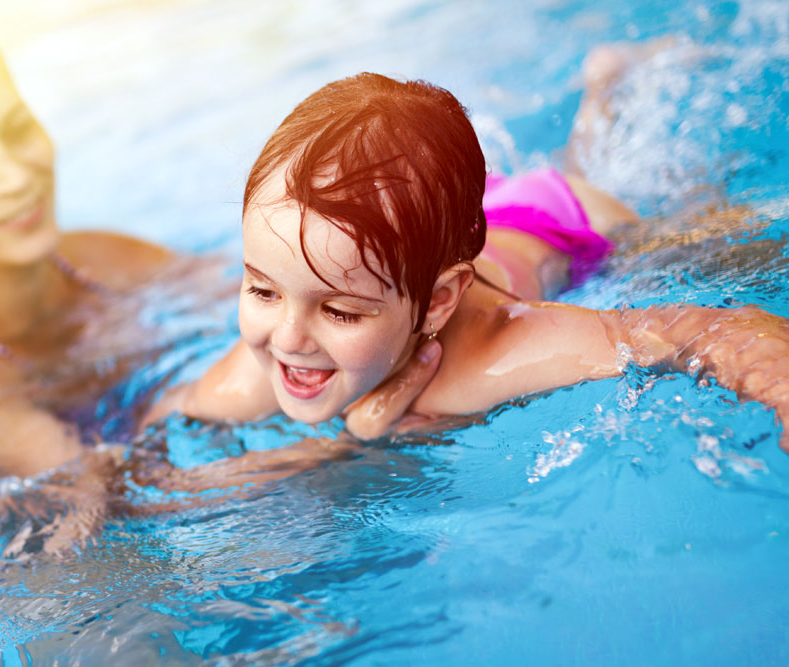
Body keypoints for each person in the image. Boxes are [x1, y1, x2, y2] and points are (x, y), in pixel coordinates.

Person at [0, 6, 434, 480]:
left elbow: (282, 300)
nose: (14, 175)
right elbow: (104, 503)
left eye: (16, 129)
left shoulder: (101, 260)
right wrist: (340, 446)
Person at [144, 71, 789, 451]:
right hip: (425, 234)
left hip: (565, 222)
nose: (286, 337)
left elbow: (702, 330)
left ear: (440, 301)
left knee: (719, 239)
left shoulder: (499, 349)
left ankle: (607, 88)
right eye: (261, 291)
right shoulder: (264, 363)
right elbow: (155, 433)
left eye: (339, 311)